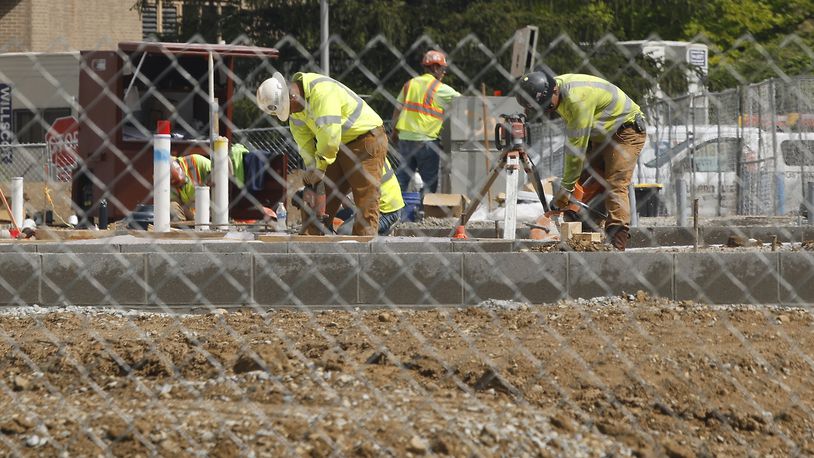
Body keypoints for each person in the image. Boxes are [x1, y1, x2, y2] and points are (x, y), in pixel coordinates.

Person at [516, 69, 647, 250]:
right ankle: (583, 234)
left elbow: (575, 150)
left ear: (554, 90)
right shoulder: (554, 90)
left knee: (615, 183)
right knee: (584, 181)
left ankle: (617, 241)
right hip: (601, 133)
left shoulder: (577, 99)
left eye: (547, 105)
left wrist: (565, 189)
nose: (547, 110)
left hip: (626, 131)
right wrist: (569, 193)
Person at [256, 71, 387, 236]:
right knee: (317, 196)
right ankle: (312, 244)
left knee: (365, 201)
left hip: (365, 139)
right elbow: (304, 143)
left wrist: (320, 167)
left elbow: (330, 136)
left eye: (288, 109)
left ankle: (363, 249)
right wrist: (313, 169)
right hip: (336, 146)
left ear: (292, 96)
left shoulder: (322, 92)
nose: (289, 114)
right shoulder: (296, 111)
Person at [391, 50, 461, 194]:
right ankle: (426, 212)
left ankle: (394, 213)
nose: (444, 73)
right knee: (430, 181)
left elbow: (397, 110)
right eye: (443, 69)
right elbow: (464, 101)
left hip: (405, 139)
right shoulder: (439, 88)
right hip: (426, 141)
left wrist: (394, 131)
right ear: (435, 68)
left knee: (402, 179)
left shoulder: (409, 84)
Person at [336, 157, 404, 236]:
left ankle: (380, 233)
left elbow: (348, 198)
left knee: (344, 232)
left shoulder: (362, 161)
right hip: (386, 204)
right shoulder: (373, 150)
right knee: (342, 212)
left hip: (386, 211)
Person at [170, 153, 211, 221]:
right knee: (172, 206)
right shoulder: (166, 187)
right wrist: (196, 219)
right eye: (178, 184)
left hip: (211, 207)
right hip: (191, 215)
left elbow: (219, 172)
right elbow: (180, 206)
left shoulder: (196, 161)